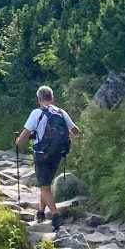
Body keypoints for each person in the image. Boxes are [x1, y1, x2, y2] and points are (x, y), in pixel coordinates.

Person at [15, 85, 81, 226]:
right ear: (52, 98)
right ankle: (40, 212)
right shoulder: (61, 112)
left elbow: (25, 134)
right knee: (46, 184)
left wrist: (18, 142)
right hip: (57, 154)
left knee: (44, 186)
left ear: (39, 99)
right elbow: (76, 131)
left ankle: (56, 216)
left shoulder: (36, 113)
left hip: (41, 154)